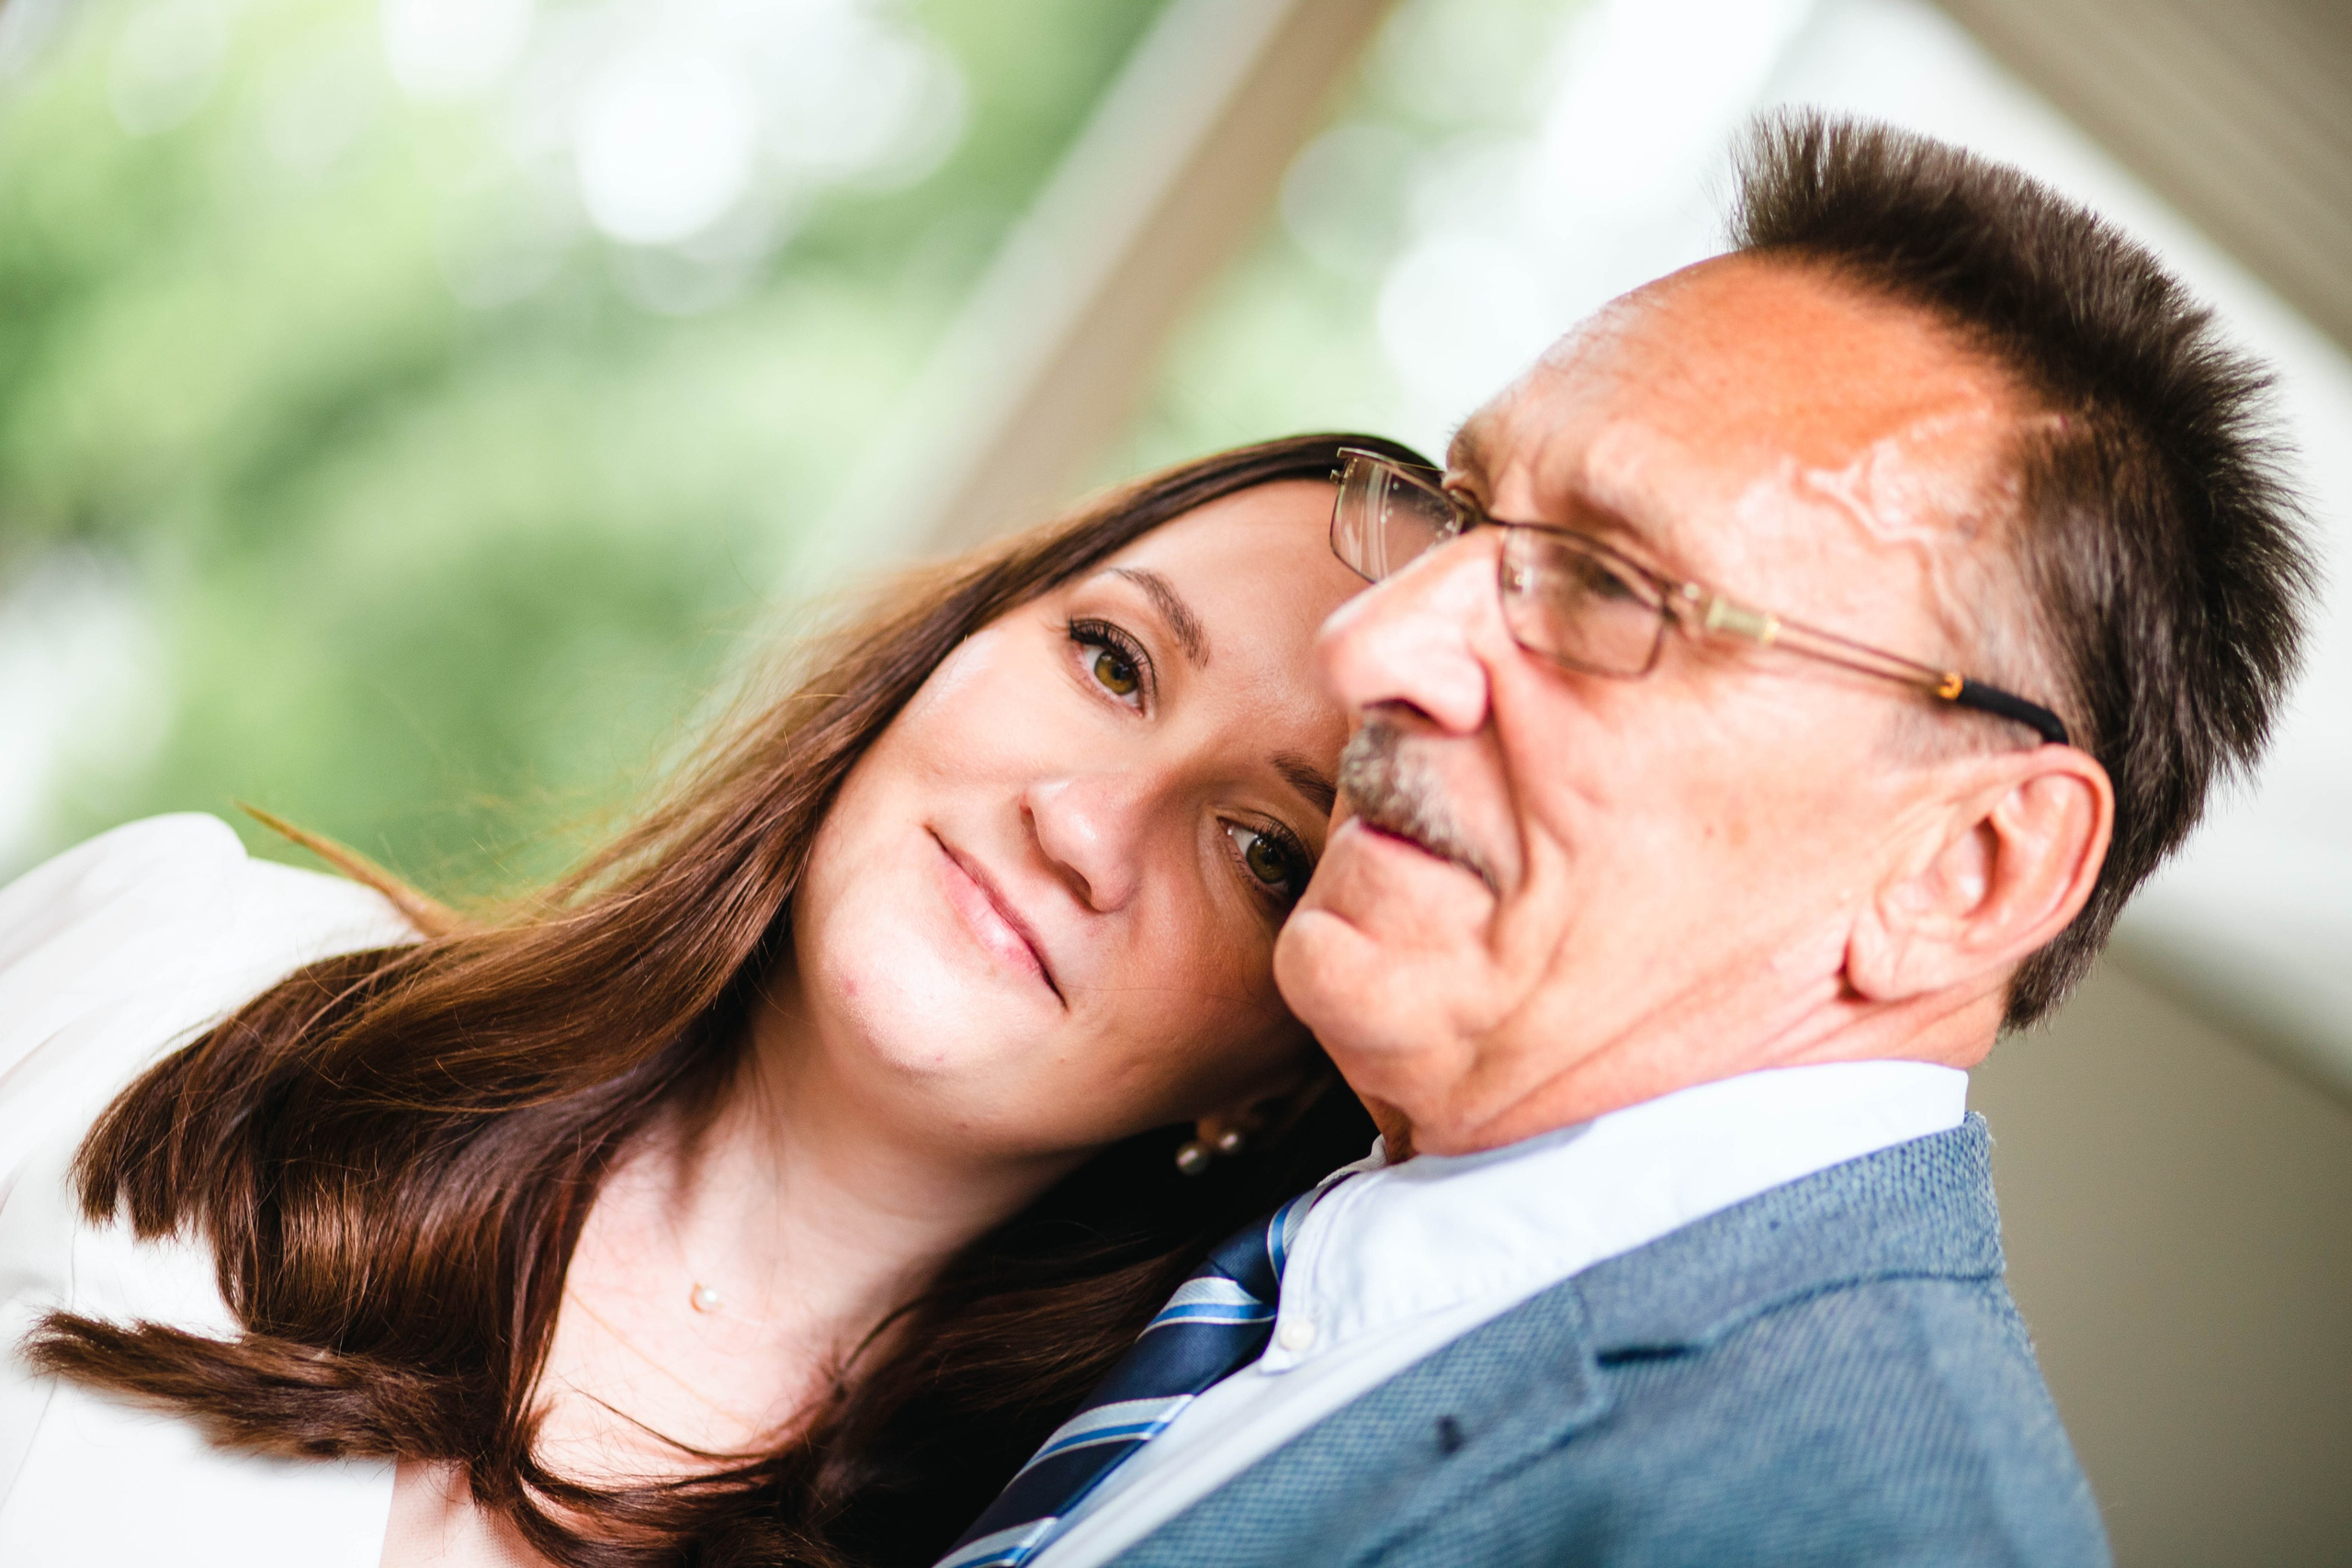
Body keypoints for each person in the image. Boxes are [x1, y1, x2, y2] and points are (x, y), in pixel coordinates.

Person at [944, 114, 2314, 1568]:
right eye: (1465, 521)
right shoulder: (1227, 1210)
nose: (1375, 645)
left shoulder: (1852, 1532)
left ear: (1963, 869)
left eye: (1605, 585)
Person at [0, 433, 1434, 1568]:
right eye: (1111, 660)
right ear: (944, 650)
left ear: (1283, 1061)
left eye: (1264, 852)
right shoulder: (174, 956)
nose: (1083, 821)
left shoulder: (1042, 1549)